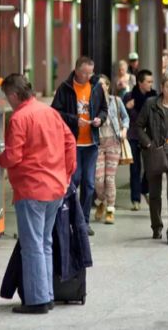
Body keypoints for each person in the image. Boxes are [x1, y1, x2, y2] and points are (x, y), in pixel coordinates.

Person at [0, 74, 76, 314]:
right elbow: (70, 142)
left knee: (31, 246)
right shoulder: (49, 112)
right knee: (45, 243)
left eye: (6, 97)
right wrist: (67, 175)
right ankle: (47, 294)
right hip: (55, 188)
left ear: (12, 95)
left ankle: (37, 301)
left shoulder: (20, 118)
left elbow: (13, 156)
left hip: (31, 189)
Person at [51, 56, 108, 235]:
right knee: (74, 181)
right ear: (76, 70)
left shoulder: (96, 87)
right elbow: (55, 112)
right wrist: (75, 120)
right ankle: (70, 220)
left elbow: (104, 109)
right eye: (84, 72)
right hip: (72, 142)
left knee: (89, 184)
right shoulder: (65, 88)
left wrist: (100, 119)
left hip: (91, 142)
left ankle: (83, 221)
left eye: (90, 73)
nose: (87, 76)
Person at [135, 73, 168, 245]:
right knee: (155, 193)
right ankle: (156, 225)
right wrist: (149, 144)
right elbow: (138, 126)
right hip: (155, 151)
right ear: (162, 87)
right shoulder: (151, 104)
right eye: (167, 87)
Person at [94, 75, 129, 225]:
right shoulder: (92, 102)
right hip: (98, 145)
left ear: (108, 86)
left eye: (104, 84)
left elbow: (126, 118)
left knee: (109, 179)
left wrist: (124, 131)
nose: (102, 87)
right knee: (98, 180)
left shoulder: (116, 101)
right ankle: (101, 201)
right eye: (99, 85)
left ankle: (110, 210)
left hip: (114, 143)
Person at [123, 69, 157, 211]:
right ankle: (135, 199)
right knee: (134, 169)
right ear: (140, 83)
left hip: (148, 137)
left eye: (151, 81)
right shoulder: (129, 96)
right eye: (148, 82)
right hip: (132, 136)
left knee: (150, 168)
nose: (151, 84)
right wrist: (126, 107)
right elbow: (122, 115)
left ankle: (144, 189)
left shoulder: (154, 97)